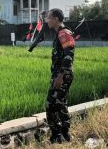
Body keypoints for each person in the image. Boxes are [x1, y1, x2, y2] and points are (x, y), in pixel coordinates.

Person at [46, 8, 75, 144]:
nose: (47, 21)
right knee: (61, 103)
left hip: (62, 75)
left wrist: (60, 76)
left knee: (50, 105)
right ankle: (65, 134)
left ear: (56, 18)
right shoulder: (60, 34)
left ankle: (57, 135)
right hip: (61, 74)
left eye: (49, 18)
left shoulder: (64, 33)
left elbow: (69, 56)